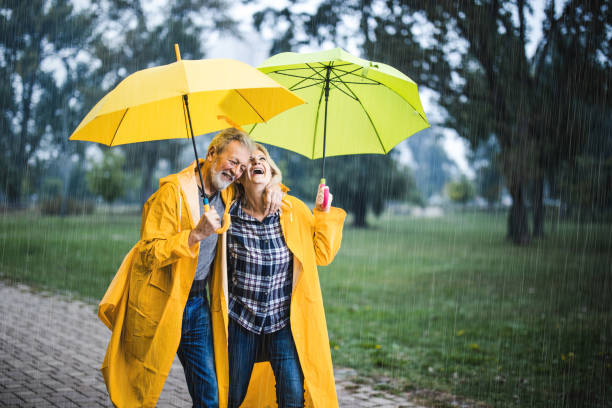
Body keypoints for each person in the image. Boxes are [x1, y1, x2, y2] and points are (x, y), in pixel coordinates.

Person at [98, 129, 283, 408]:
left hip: (197, 305)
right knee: (138, 389)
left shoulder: (229, 193)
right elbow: (147, 254)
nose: (236, 172)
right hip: (158, 301)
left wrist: (276, 184)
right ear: (211, 154)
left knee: (209, 395)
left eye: (242, 167)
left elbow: (264, 180)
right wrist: (194, 235)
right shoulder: (172, 193)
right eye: (232, 162)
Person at [208, 144, 346, 408]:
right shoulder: (229, 215)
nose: (256, 163)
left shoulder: (291, 211)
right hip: (241, 320)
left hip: (282, 321)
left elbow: (322, 254)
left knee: (293, 395)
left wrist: (323, 213)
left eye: (262, 159)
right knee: (230, 395)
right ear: (241, 175)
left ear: (270, 170)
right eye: (249, 161)